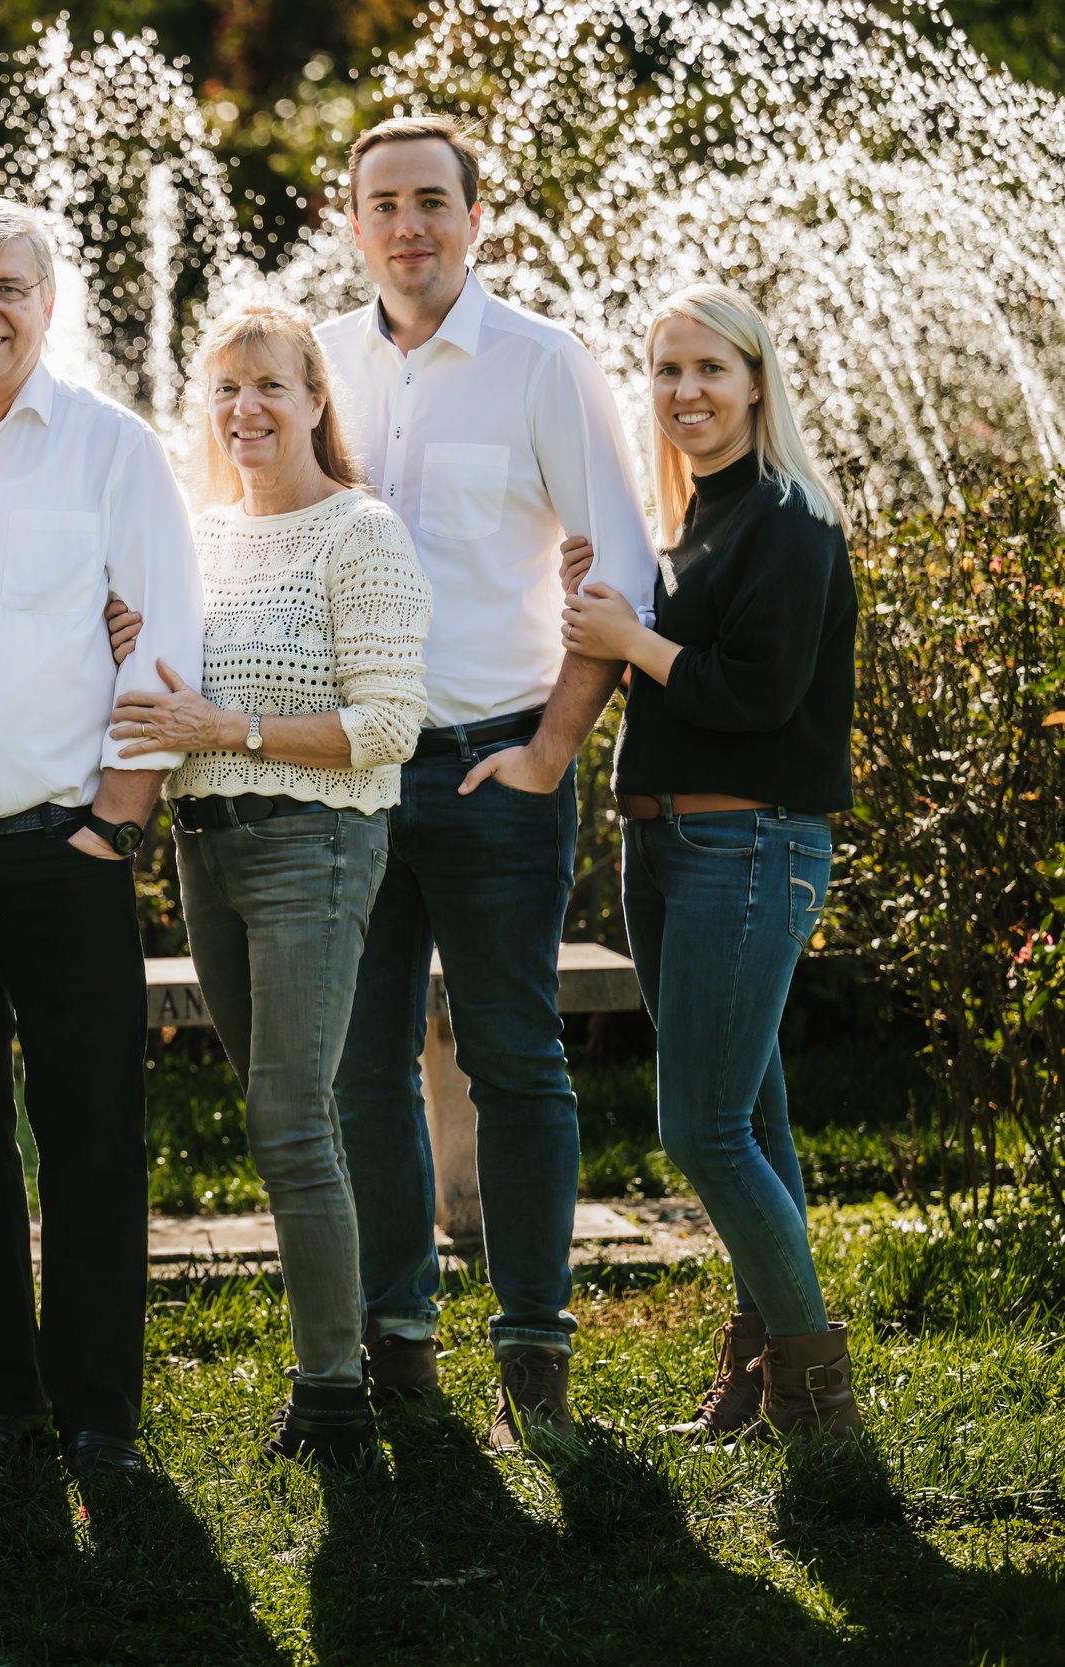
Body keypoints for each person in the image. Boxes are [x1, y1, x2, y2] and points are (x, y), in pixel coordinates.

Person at [317, 115, 657, 1446]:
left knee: (515, 1059)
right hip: (346, 776)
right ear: (352, 223)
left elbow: (618, 568)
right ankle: (396, 1343)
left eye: (431, 201)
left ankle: (534, 1353)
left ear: (476, 216)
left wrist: (551, 751)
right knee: (361, 1070)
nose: (407, 225)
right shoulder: (318, 363)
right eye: (383, 204)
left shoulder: (541, 362)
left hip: (493, 767)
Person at [0, 193, 203, 1480]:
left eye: (7, 286)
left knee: (91, 1128)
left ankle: (98, 1408)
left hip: (64, 842)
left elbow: (165, 628)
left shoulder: (110, 447)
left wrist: (118, 816)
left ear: (47, 302)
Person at [111, 306, 430, 1469]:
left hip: (315, 843)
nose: (244, 409)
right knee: (281, 1115)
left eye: (268, 387)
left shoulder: (359, 532)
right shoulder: (195, 538)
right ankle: (349, 1366)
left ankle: (334, 1399)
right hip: (205, 846)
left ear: (313, 400)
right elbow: (165, 689)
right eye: (224, 390)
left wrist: (227, 726)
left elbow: (387, 725)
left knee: (291, 1116)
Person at [558, 284, 860, 1440]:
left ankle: (817, 1400)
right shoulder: (697, 519)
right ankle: (758, 1376)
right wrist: (608, 597)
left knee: (703, 1129)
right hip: (672, 846)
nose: (685, 391)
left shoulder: (787, 516)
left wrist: (631, 636)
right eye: (666, 370)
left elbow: (756, 695)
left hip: (747, 844)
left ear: (755, 381)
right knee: (754, 1123)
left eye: (708, 369)